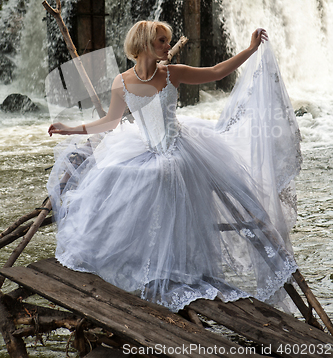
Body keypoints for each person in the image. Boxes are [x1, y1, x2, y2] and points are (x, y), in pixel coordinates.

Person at [47, 20, 301, 312]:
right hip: (145, 148)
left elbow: (216, 72)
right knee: (112, 175)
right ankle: (135, 264)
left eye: (168, 41)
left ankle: (181, 268)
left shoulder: (171, 73)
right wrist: (70, 129)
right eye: (162, 42)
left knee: (167, 176)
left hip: (182, 149)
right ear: (143, 44)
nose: (169, 47)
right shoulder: (122, 82)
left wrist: (250, 48)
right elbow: (110, 122)